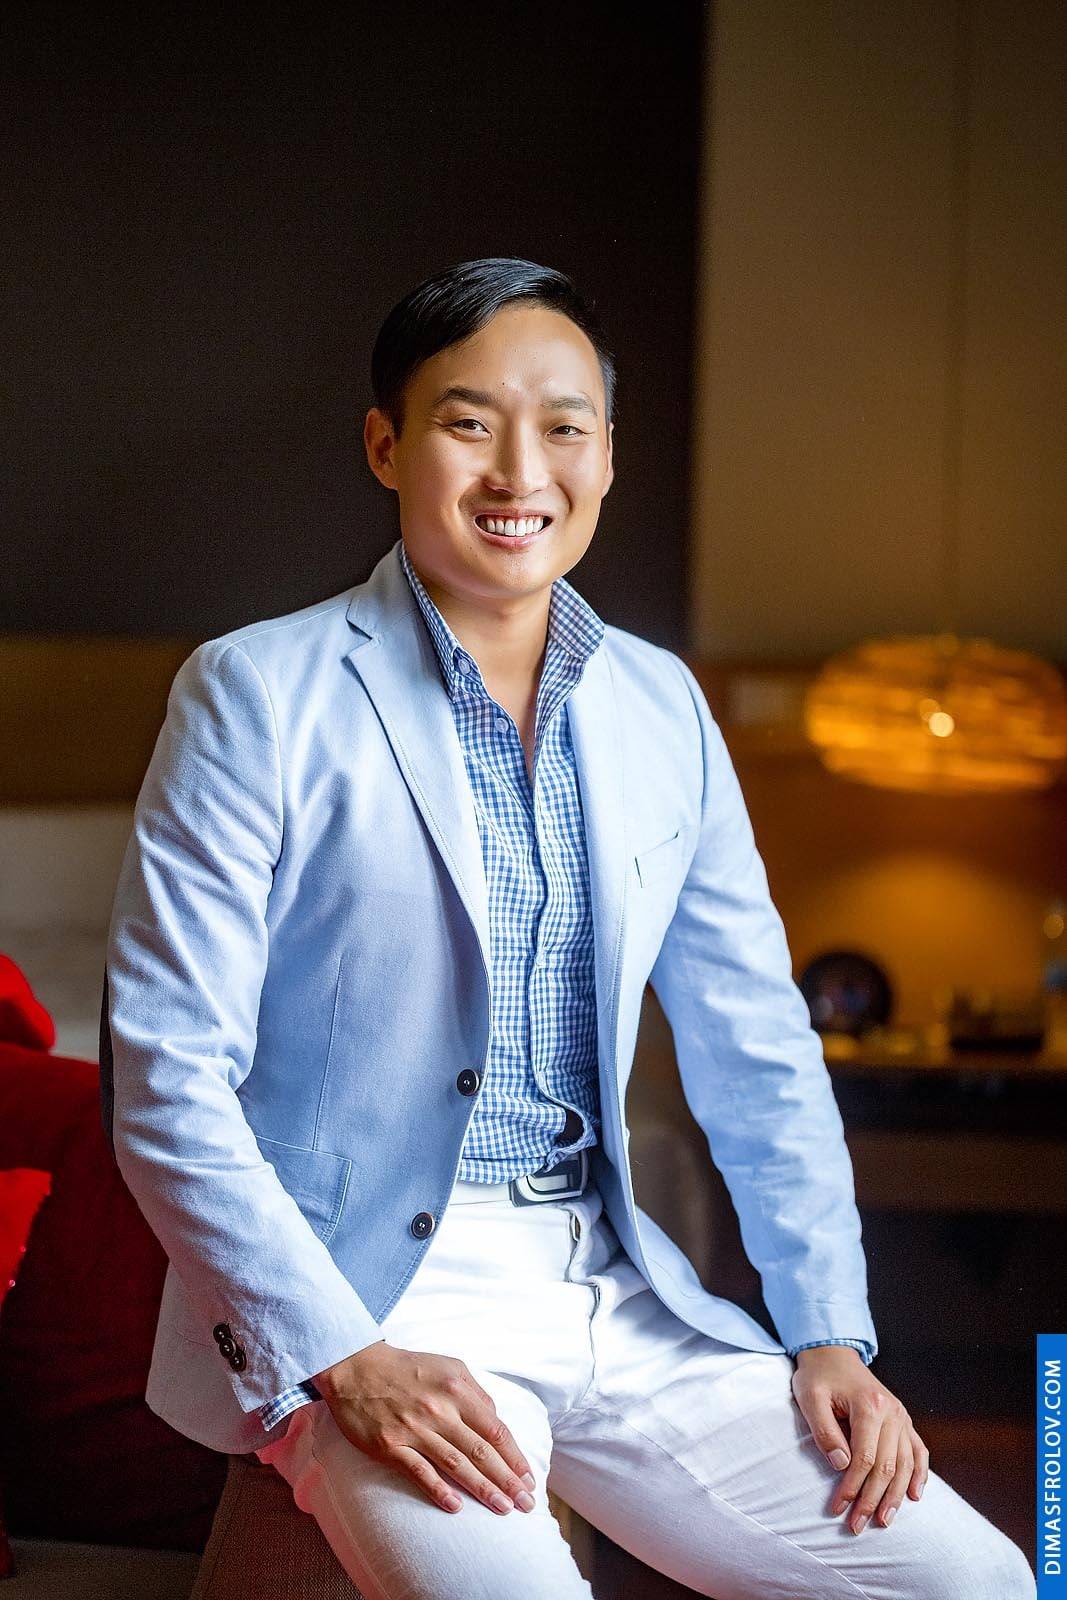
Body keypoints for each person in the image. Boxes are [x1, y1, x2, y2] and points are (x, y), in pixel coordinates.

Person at [101, 257, 1035, 1598]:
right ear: (386, 447)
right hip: (375, 1295)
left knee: (976, 1582)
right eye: (468, 423)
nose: (518, 471)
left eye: (564, 427)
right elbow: (166, 1078)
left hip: (619, 1286)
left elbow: (757, 1045)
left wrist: (830, 1328)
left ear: (607, 457)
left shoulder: (662, 706)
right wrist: (342, 1356)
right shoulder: (255, 692)